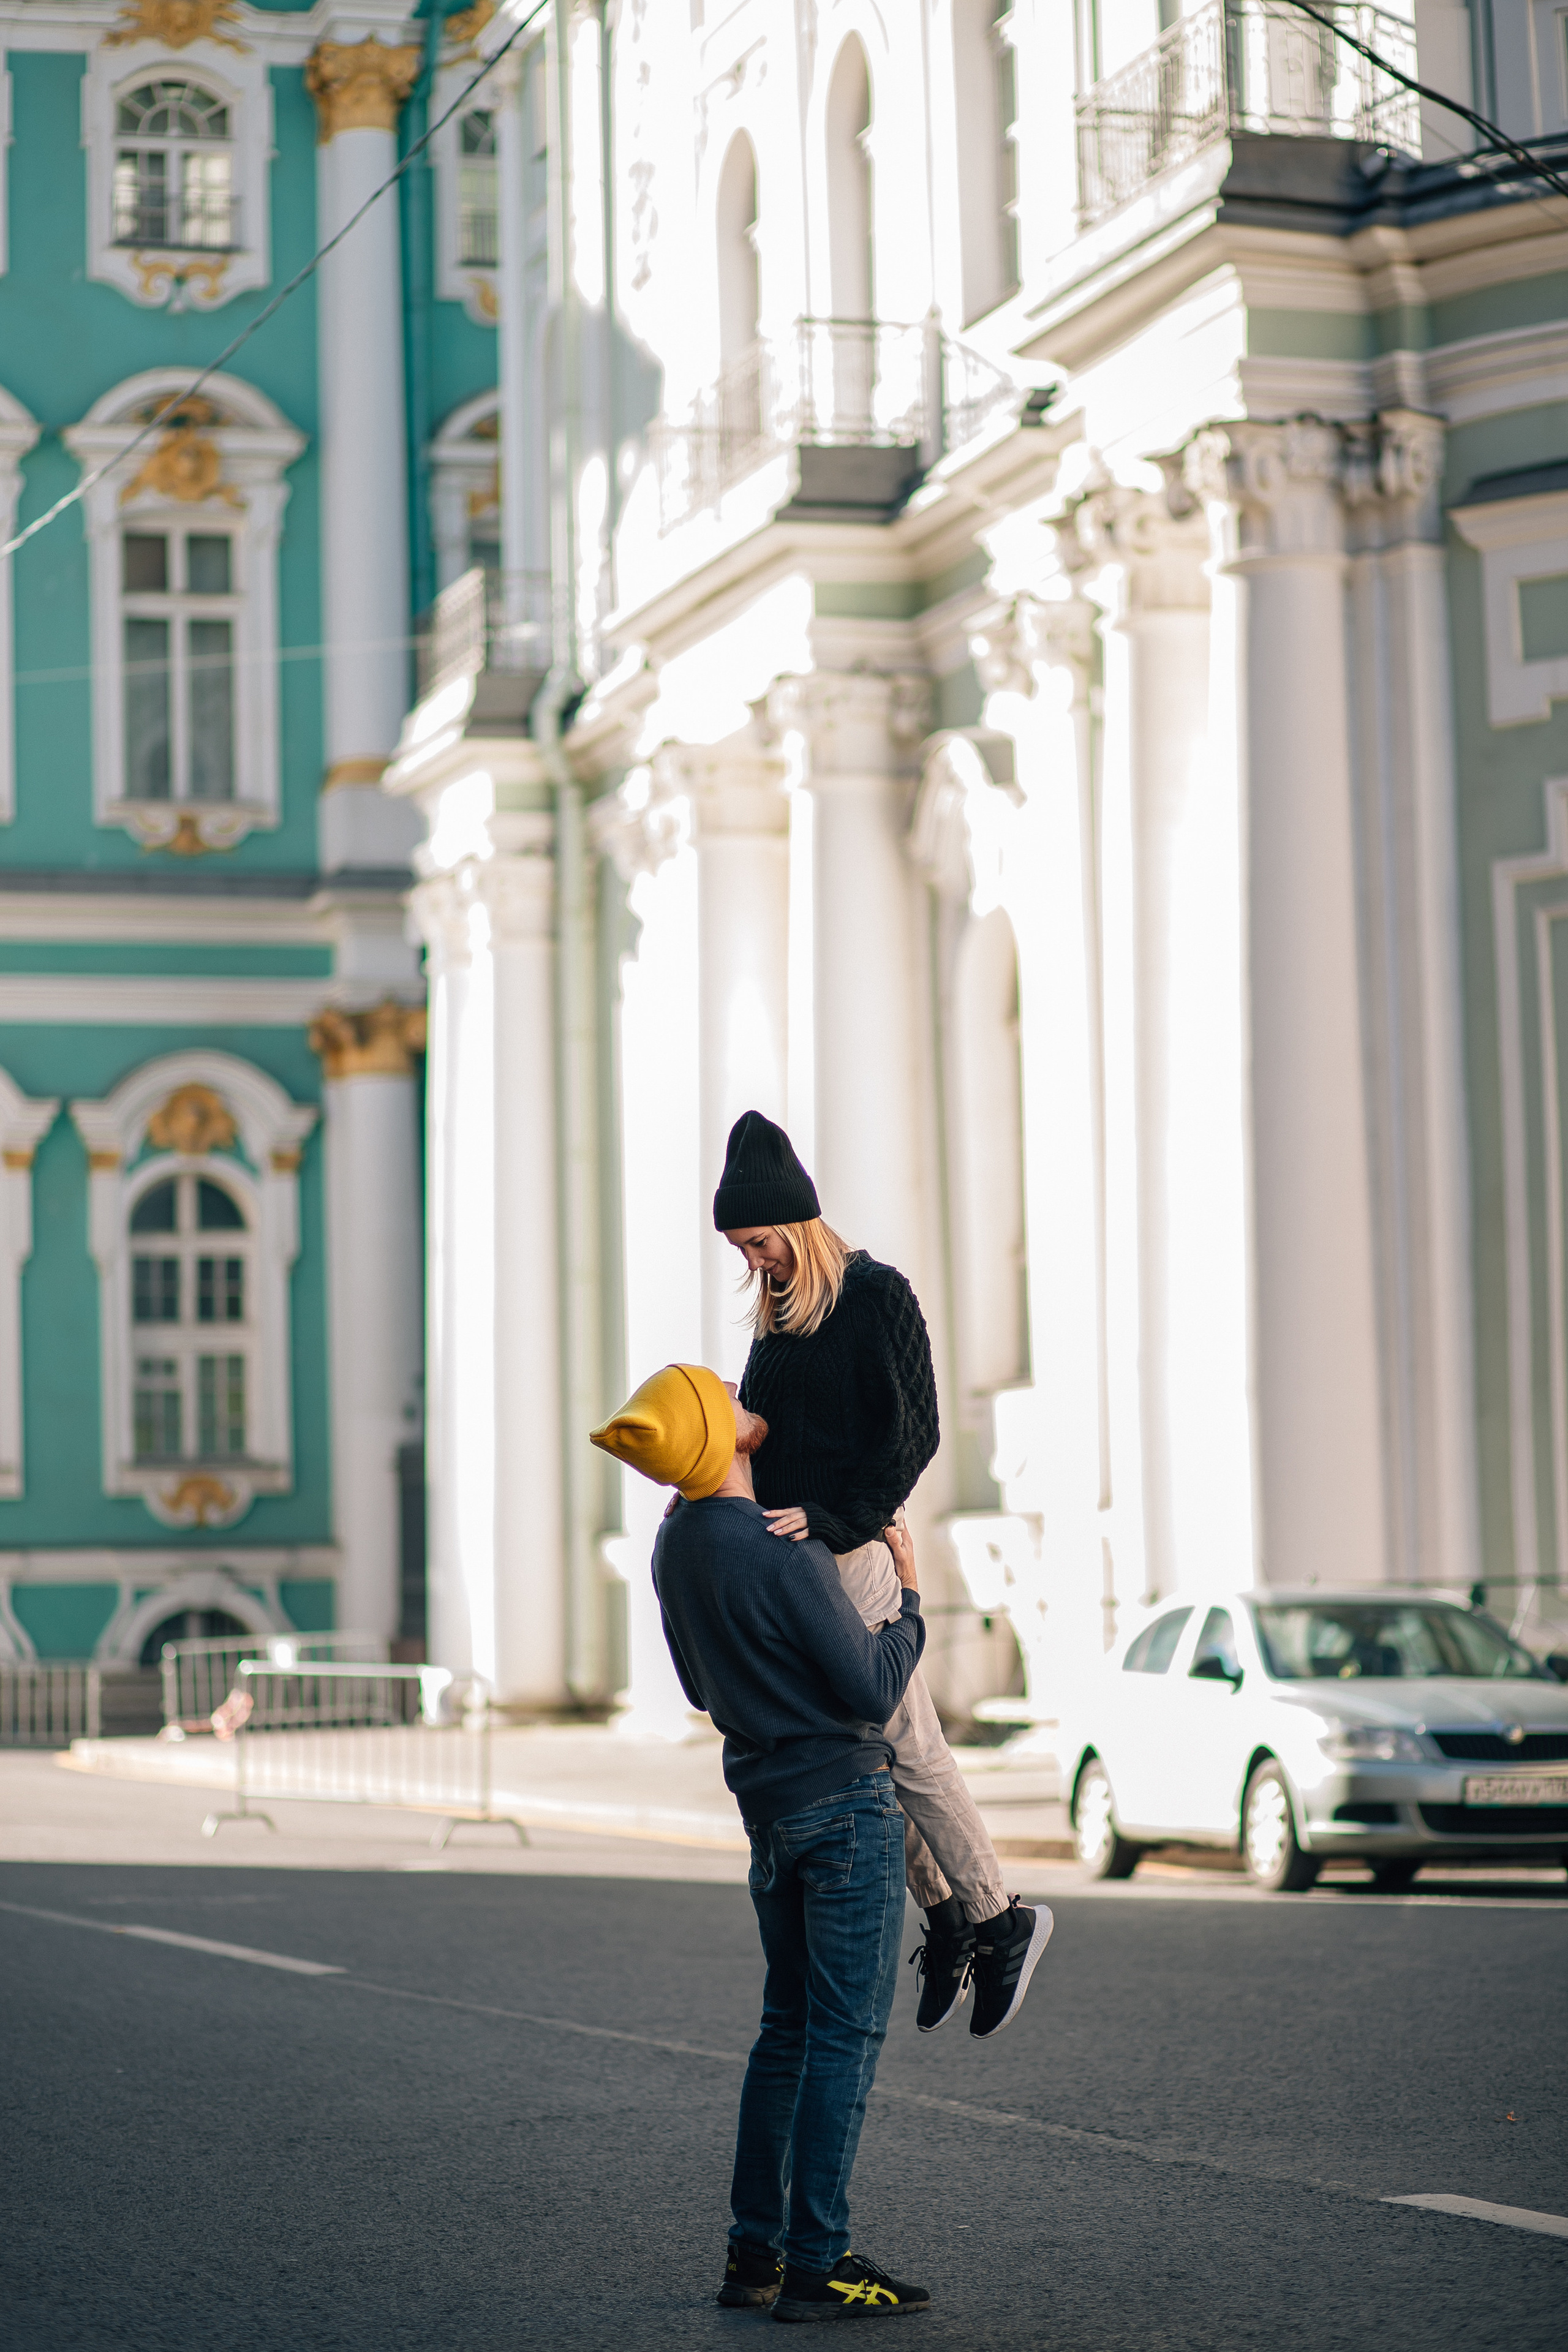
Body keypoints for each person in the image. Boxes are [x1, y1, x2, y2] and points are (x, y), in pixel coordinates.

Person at [591, 1362, 933, 2320]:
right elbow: (873, 1688)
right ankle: (820, 2262)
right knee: (843, 2038)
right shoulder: (785, 1553)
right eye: (732, 1403)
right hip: (847, 1808)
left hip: (768, 1816)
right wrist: (909, 1599)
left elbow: (700, 1691)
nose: (753, 1407)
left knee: (786, 2032)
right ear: (727, 1437)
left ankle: (756, 2257)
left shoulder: (675, 1549)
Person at [714, 1108, 1052, 2041]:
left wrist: (837, 1520)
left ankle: (997, 1915)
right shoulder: (777, 1317)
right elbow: (776, 1443)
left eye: (760, 1243)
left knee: (902, 1742)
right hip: (795, 1562)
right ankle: (946, 1913)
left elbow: (916, 1433)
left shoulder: (876, 1296)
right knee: (856, 1744)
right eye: (741, 1249)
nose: (753, 1263)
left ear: (796, 1224)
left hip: (854, 1551)